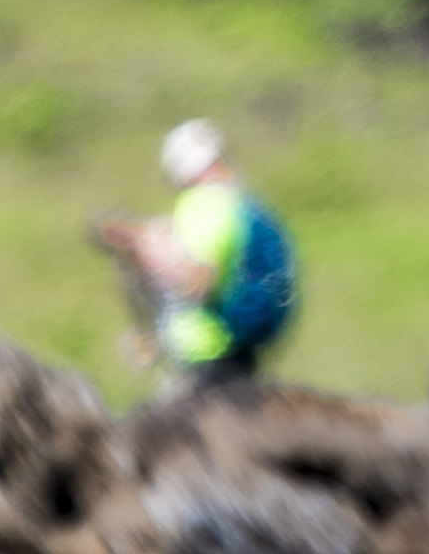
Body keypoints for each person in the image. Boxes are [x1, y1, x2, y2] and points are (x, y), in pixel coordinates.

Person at [93, 120, 297, 389]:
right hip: (234, 349)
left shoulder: (204, 205)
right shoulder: (239, 203)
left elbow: (198, 280)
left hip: (208, 357)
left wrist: (149, 252)